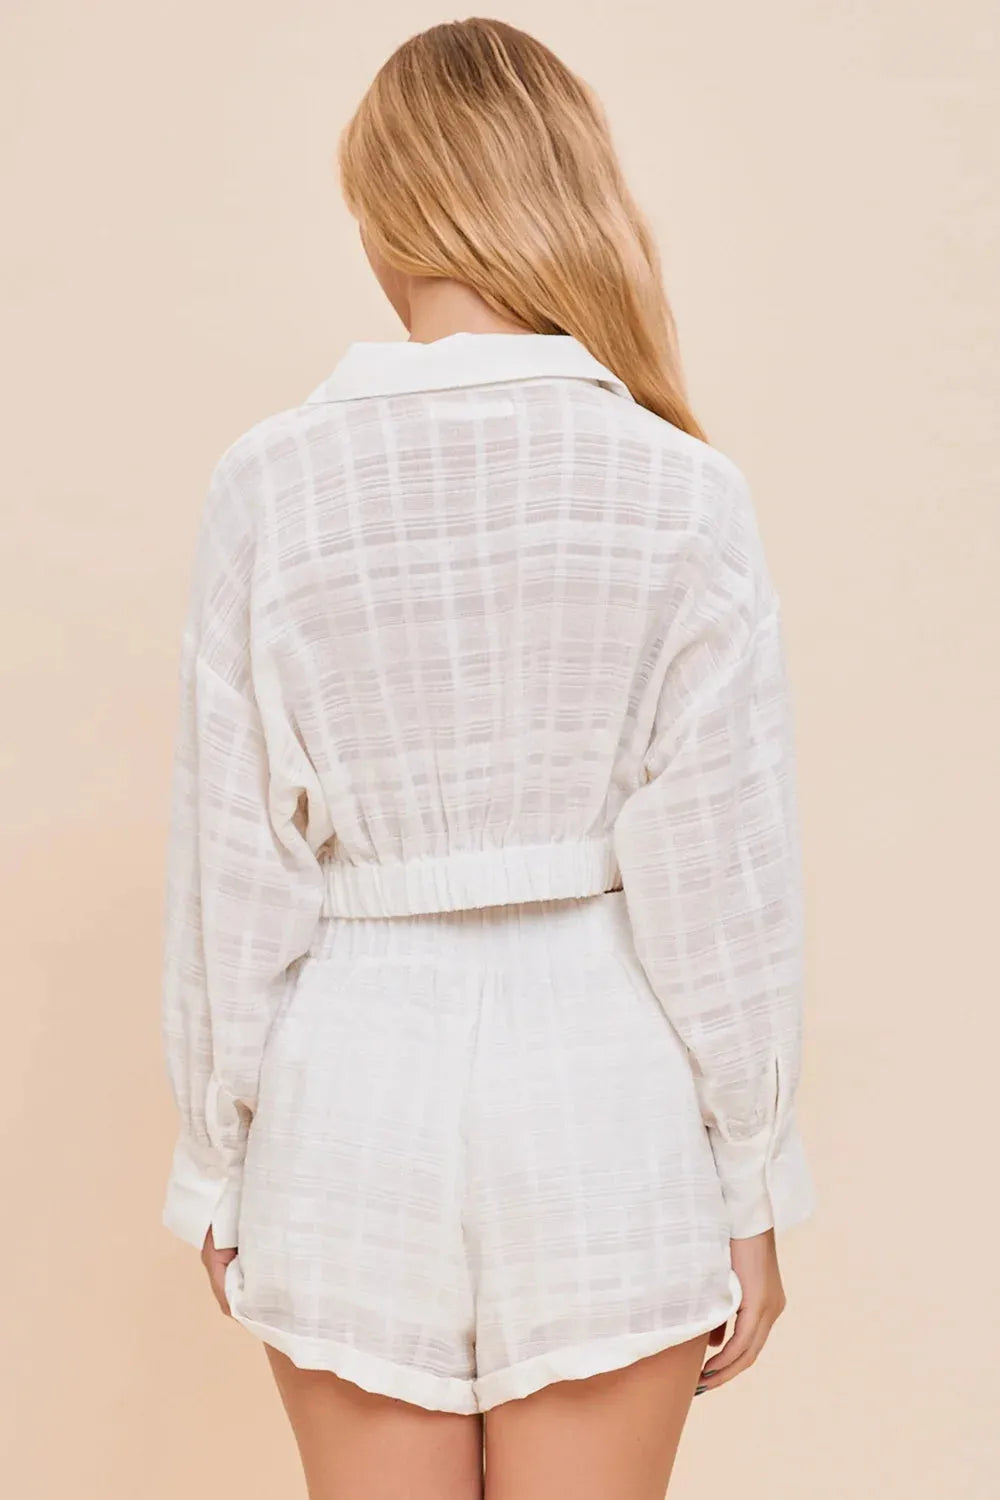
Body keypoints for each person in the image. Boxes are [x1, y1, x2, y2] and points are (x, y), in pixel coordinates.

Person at [159, 17, 816, 1500]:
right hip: (604, 1097)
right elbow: (723, 882)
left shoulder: (268, 483)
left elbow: (235, 868)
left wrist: (216, 1156)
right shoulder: (684, 490)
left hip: (350, 1097)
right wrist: (754, 1174)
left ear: (385, 212)